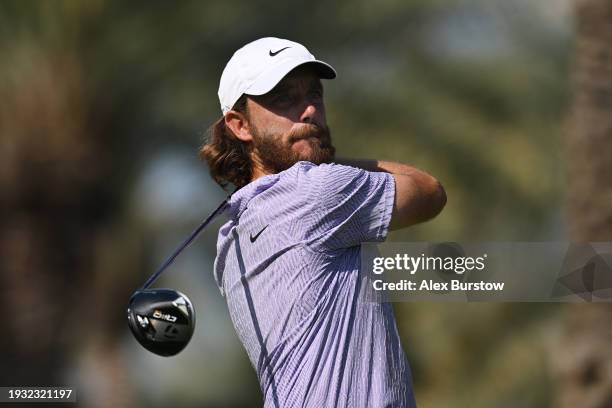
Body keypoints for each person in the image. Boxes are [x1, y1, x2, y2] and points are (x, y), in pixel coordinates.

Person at [200, 37, 446, 408]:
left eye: (314, 94)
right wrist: (329, 163)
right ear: (239, 125)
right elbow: (429, 192)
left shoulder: (230, 235)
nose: (310, 109)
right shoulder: (319, 192)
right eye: (284, 98)